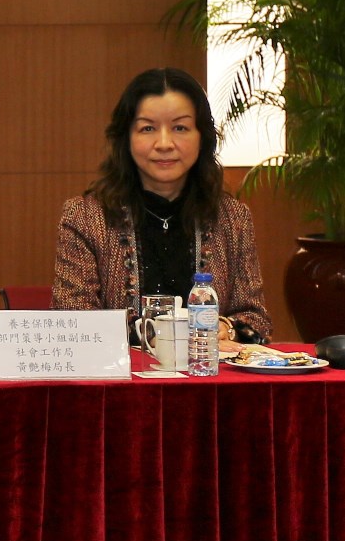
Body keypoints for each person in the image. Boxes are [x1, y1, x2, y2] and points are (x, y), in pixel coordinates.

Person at [53, 64, 270, 342]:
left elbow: (255, 319)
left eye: (180, 127)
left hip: (209, 368)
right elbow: (73, 320)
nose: (164, 143)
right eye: (148, 128)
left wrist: (226, 329)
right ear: (126, 138)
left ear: (202, 137)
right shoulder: (86, 217)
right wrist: (157, 334)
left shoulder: (231, 217)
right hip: (122, 371)